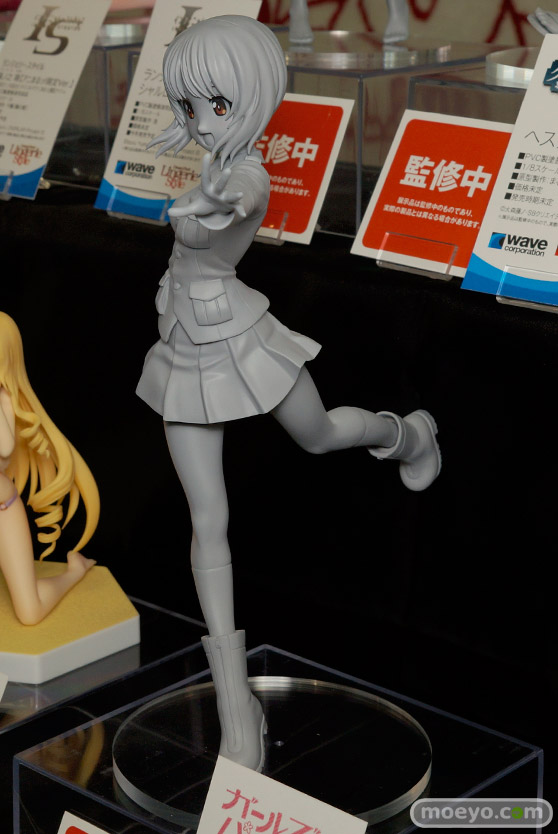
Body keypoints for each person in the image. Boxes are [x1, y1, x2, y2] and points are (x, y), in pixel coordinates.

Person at [136, 14, 440, 771]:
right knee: (208, 518)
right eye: (191, 106)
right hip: (184, 349)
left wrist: (216, 207)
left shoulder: (248, 174)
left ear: (251, 97)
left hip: (240, 342)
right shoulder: (211, 166)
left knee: (321, 433)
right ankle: (234, 705)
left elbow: (240, 199)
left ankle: (404, 433)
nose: (203, 122)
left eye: (219, 105)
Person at [0, 311, 99, 626]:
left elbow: (4, 447)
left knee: (30, 612)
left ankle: (75, 571)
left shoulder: (5, 400)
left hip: (3, 513)